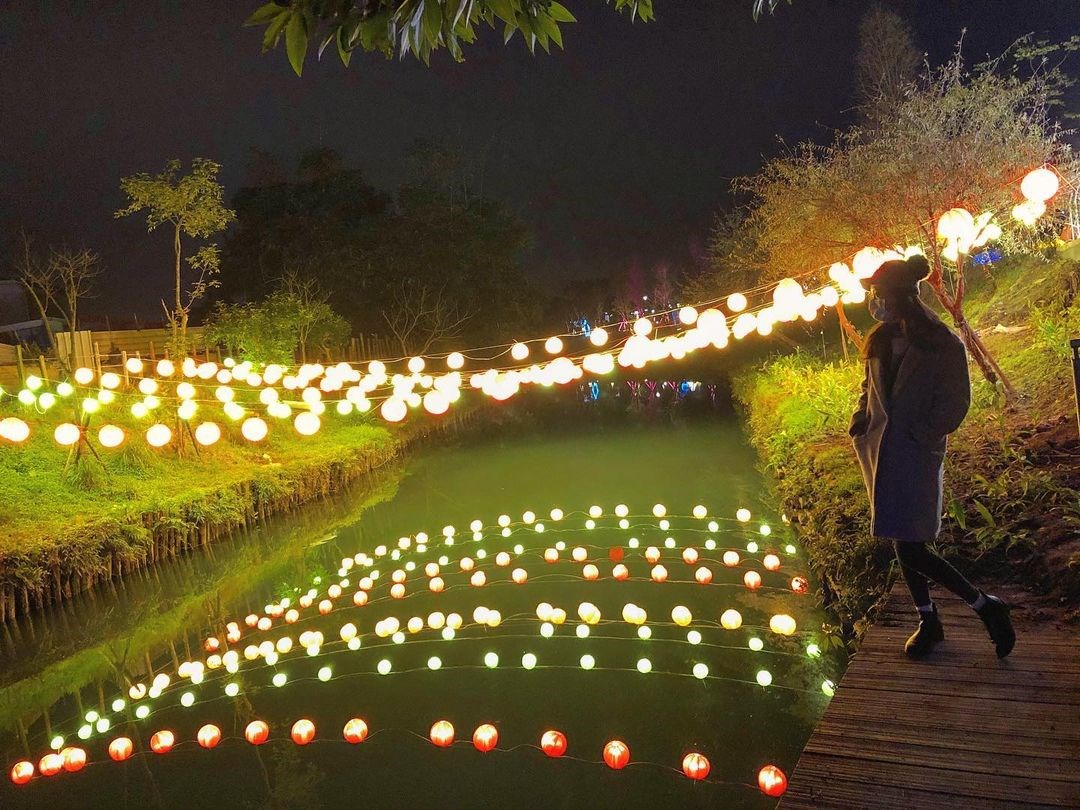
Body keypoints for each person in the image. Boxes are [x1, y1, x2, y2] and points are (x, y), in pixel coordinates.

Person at [849, 255, 1015, 658]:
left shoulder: (941, 343)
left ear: (902, 295)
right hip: (882, 450)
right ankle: (930, 620)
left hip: (915, 452)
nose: (875, 301)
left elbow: (956, 402)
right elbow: (868, 387)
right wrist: (860, 417)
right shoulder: (880, 339)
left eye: (880, 293)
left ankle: (982, 606)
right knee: (899, 535)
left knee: (911, 544)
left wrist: (922, 434)